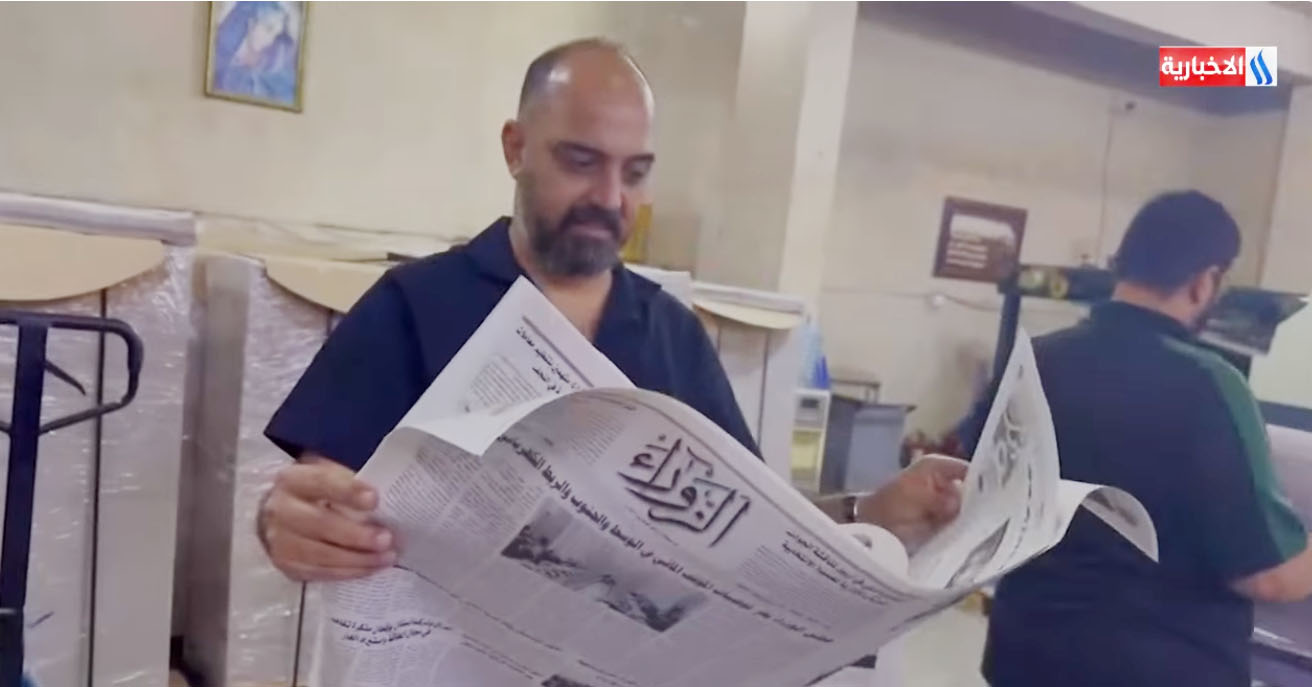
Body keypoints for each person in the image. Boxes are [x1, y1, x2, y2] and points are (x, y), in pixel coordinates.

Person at [257, 38, 965, 585]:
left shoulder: (672, 333)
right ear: (515, 148)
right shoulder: (414, 305)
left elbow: (754, 529)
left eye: (635, 172)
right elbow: (315, 502)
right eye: (580, 161)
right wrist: (282, 524)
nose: (609, 198)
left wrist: (870, 514)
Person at [957, 191, 1312, 687]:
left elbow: (974, 493)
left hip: (1027, 657)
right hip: (1157, 669)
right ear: (1204, 282)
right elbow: (1270, 576)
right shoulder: (1211, 385)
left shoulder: (1032, 361)